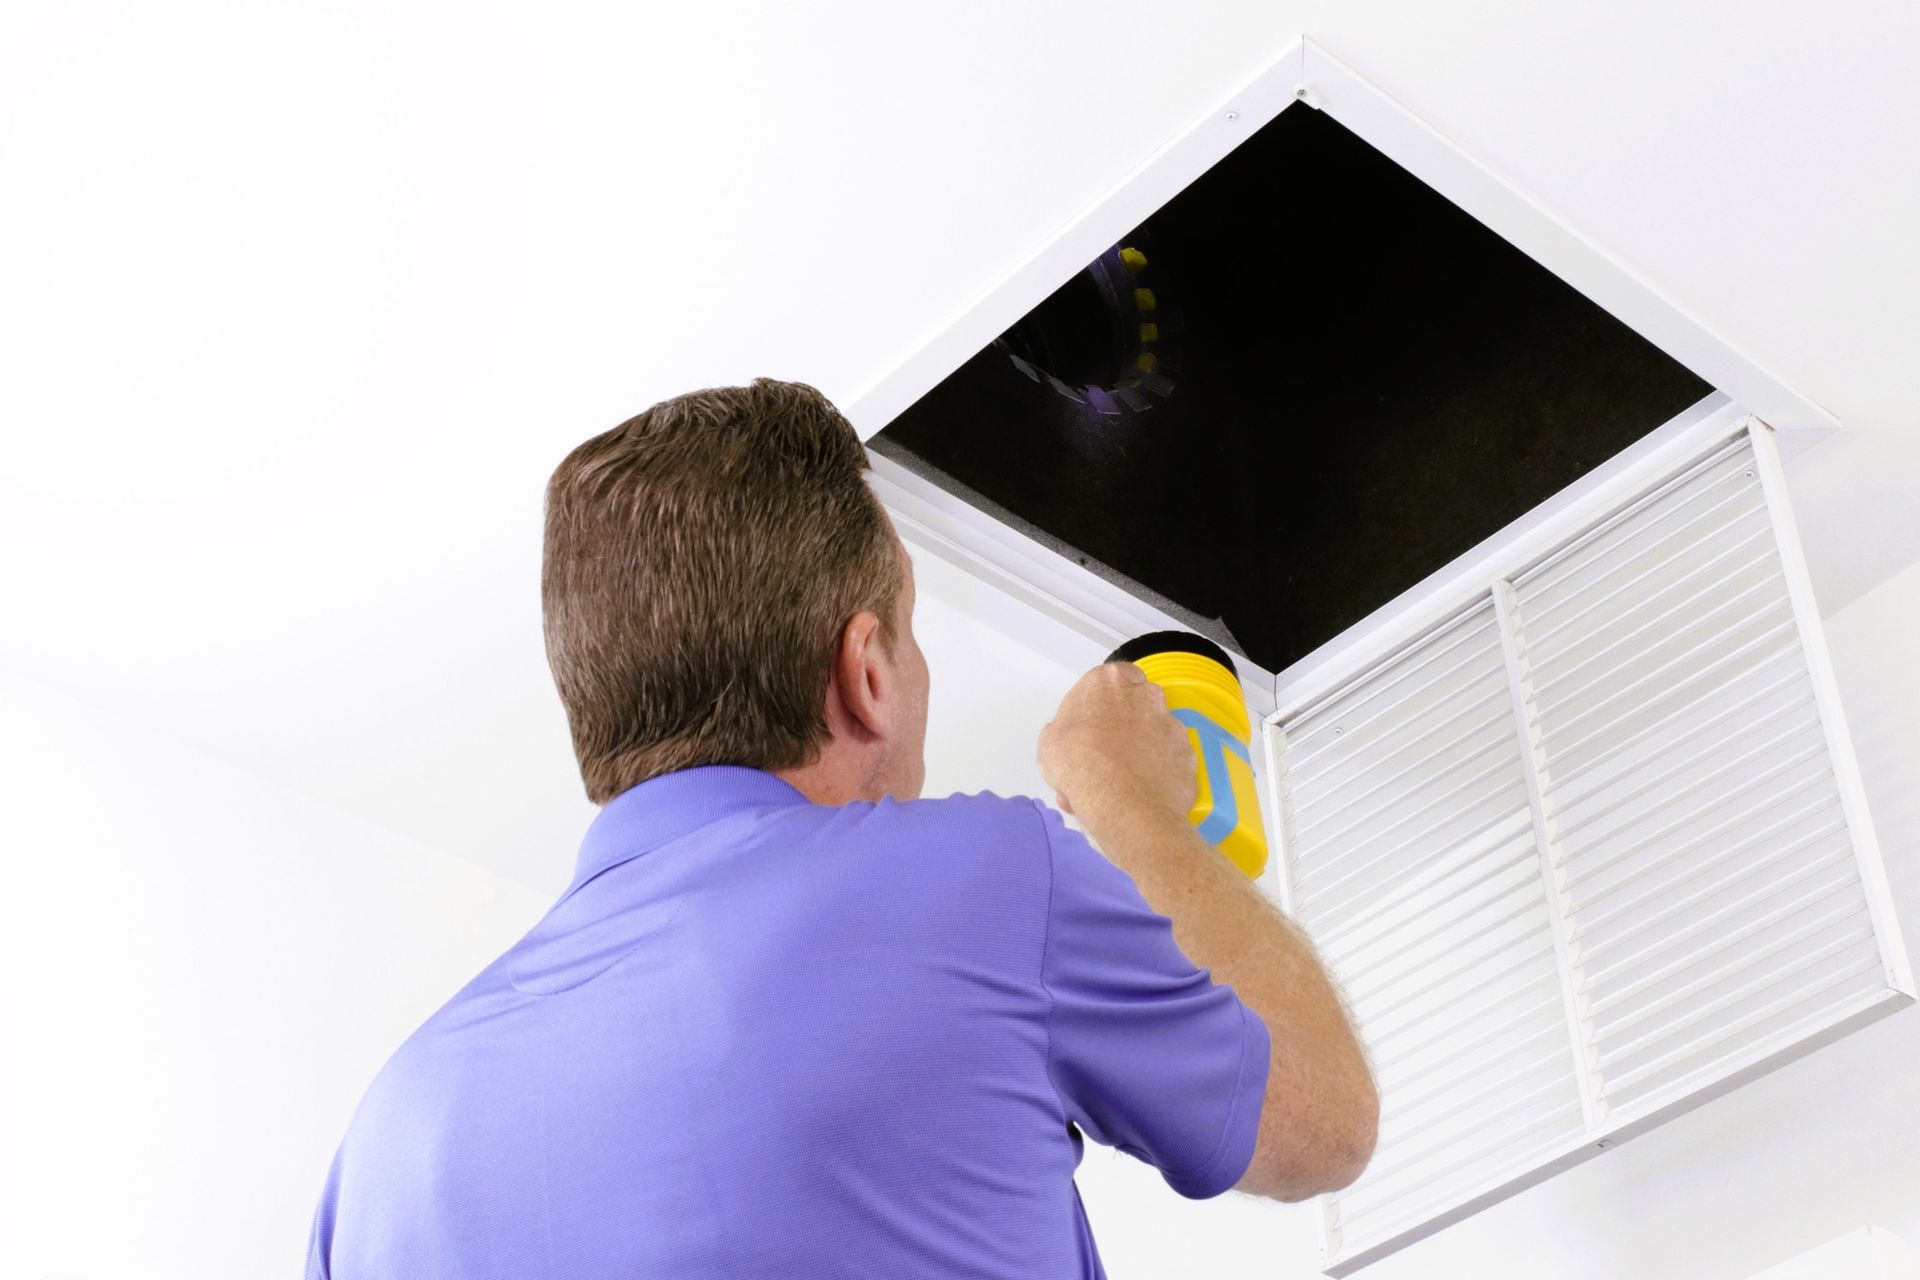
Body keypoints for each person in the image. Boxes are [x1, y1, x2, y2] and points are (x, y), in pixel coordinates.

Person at [304, 378, 1377, 1279]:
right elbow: (1323, 1122)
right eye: (908, 639)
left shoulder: (383, 1145)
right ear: (866, 672)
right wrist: (1123, 790)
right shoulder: (983, 881)